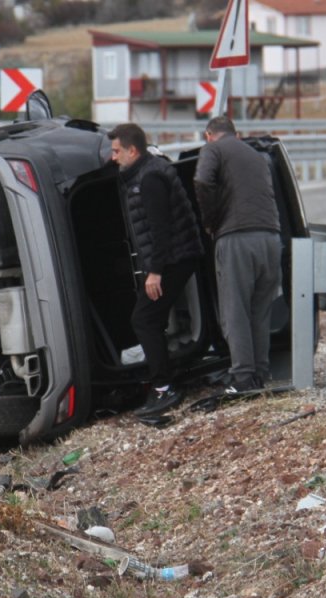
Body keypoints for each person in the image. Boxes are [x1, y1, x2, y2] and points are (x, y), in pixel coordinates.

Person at [108, 123, 205, 418]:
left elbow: (160, 231)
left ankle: (164, 387)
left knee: (145, 319)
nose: (114, 158)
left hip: (173, 260)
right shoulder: (146, 170)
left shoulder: (149, 179)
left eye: (116, 151)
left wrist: (155, 272)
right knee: (152, 317)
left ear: (132, 150)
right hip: (176, 257)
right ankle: (164, 378)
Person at [194, 116, 282, 393]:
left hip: (236, 237)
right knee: (259, 310)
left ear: (209, 135)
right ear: (236, 133)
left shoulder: (212, 150)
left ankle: (243, 378)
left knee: (235, 311)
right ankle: (260, 373)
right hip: (270, 238)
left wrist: (211, 220)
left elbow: (201, 181)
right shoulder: (256, 156)